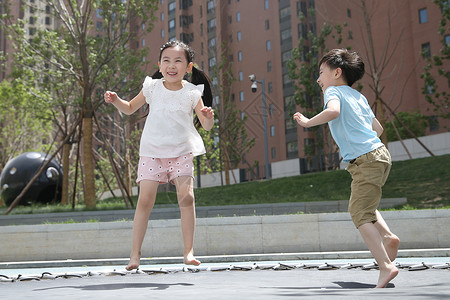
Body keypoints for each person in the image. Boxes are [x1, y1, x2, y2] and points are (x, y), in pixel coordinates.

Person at [293, 48, 400, 288]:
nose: (318, 79)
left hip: (365, 159)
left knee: (359, 213)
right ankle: (387, 237)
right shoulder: (358, 96)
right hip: (380, 154)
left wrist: (308, 122)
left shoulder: (332, 91)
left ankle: (386, 266)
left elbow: (333, 111)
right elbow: (379, 129)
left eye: (321, 73)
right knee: (364, 204)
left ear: (337, 72)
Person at [104, 40, 214, 270]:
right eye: (166, 60)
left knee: (187, 198)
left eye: (177, 61)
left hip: (181, 152)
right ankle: (135, 255)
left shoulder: (192, 92)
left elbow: (205, 126)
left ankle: (188, 251)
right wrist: (116, 101)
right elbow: (130, 108)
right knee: (145, 201)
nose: (171, 66)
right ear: (159, 64)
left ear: (188, 67)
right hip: (152, 152)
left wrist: (209, 116)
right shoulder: (152, 87)